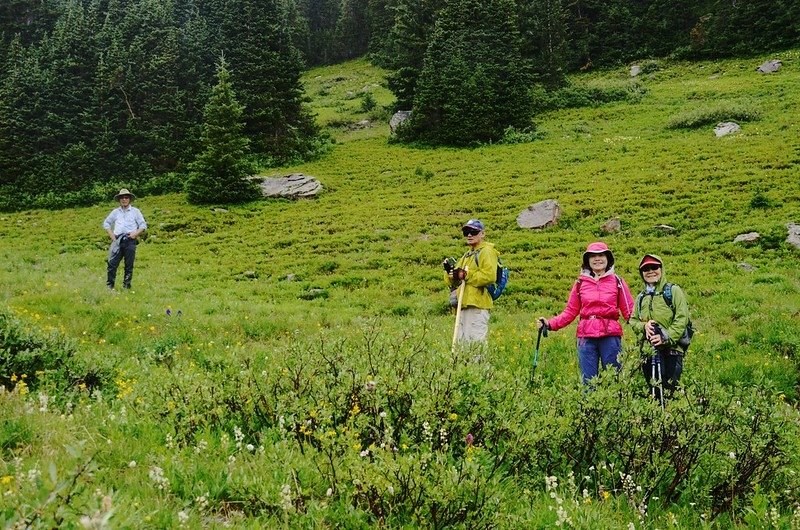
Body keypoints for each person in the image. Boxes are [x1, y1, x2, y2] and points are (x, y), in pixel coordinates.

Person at [537, 242, 634, 384]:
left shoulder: (617, 281)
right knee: (588, 382)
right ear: (587, 260)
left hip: (611, 336)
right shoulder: (580, 283)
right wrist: (550, 324)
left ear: (608, 258)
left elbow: (629, 311)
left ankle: (614, 406)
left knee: (614, 380)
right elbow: (570, 311)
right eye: (593, 256)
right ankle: (590, 407)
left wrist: (645, 326)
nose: (597, 259)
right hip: (586, 337)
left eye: (601, 255)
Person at [629, 254, 691, 401]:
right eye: (645, 269)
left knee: (671, 389)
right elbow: (633, 320)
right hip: (649, 350)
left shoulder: (673, 291)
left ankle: (672, 421)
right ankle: (657, 420)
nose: (650, 271)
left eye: (654, 267)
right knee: (654, 390)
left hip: (672, 350)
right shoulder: (641, 297)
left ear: (661, 269)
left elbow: (682, 318)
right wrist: (644, 326)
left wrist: (666, 337)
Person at [443, 219, 499, 345]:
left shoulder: (487, 251)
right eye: (466, 232)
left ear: (482, 234)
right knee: (461, 344)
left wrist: (466, 275)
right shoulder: (467, 255)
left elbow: (490, 276)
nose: (469, 235)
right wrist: (449, 272)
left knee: (475, 344)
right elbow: (453, 281)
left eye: (473, 232)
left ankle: (478, 365)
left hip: (477, 305)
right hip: (463, 304)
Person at [103, 188, 147, 290]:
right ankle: (110, 286)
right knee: (112, 264)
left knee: (129, 265)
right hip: (117, 240)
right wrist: (111, 235)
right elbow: (106, 223)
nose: (124, 199)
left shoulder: (135, 211)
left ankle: (126, 286)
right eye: (122, 197)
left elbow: (143, 225)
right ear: (119, 200)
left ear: (129, 199)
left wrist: (135, 234)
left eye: (126, 197)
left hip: (130, 240)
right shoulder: (115, 212)